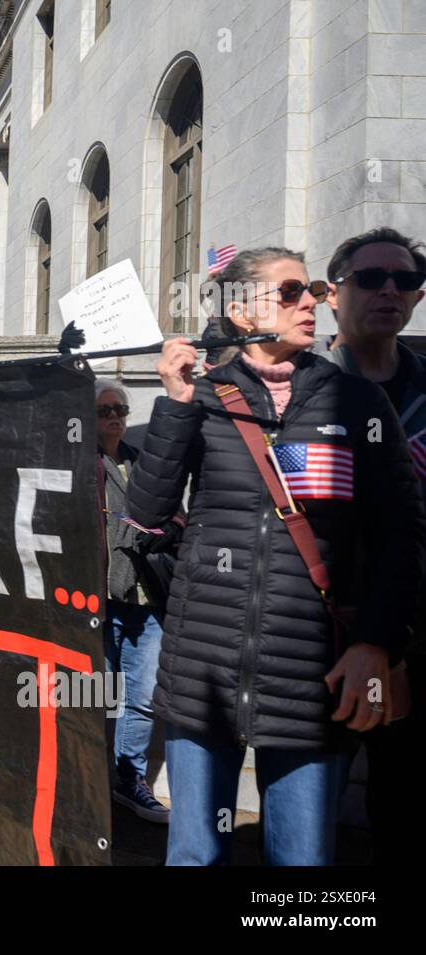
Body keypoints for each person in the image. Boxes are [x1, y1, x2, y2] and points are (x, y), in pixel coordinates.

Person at [125, 246, 425, 865]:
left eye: (310, 290)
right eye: (289, 293)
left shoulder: (358, 403)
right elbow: (149, 515)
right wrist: (175, 403)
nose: (310, 302)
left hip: (312, 677)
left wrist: (377, 644)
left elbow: (400, 533)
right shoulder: (202, 398)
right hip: (202, 672)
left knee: (303, 863)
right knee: (195, 854)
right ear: (241, 312)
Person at [322, 226, 426, 865]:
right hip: (318, 636)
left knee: (404, 807)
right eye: (370, 278)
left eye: (406, 280)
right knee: (307, 817)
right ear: (334, 293)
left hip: (413, 637)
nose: (390, 290)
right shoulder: (294, 391)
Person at [95, 378, 179, 824]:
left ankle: (131, 782)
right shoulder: (79, 465)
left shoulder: (140, 461)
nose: (114, 416)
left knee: (142, 697)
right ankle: (88, 787)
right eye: (104, 409)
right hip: (100, 600)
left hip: (146, 599)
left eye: (121, 409)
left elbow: (165, 514)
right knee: (94, 696)